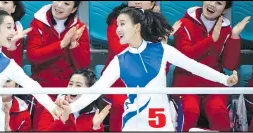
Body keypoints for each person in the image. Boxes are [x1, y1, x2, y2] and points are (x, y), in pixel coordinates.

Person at [53, 7, 239, 131]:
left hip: (161, 124)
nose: (117, 29)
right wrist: (72, 107)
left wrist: (225, 80)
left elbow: (195, 67)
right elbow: (97, 89)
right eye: (117, 25)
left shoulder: (163, 50)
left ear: (137, 27)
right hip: (133, 123)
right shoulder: (120, 60)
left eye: (122, 24)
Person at [172, 1, 250, 131]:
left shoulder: (226, 30)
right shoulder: (183, 24)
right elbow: (185, 58)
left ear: (225, 9)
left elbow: (230, 65)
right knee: (189, 110)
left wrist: (234, 37)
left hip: (214, 84)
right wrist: (211, 40)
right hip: (186, 83)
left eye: (219, 3)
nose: (212, 4)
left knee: (217, 110)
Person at [104, 1, 180, 131]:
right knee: (122, 104)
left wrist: (158, 34)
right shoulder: (117, 22)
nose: (137, 1)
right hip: (120, 82)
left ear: (152, 5)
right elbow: (122, 53)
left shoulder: (155, 26)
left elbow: (161, 69)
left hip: (148, 84)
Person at [25, 1, 90, 130]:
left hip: (69, 89)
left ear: (73, 9)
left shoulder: (79, 28)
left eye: (66, 3)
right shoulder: (37, 23)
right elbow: (33, 56)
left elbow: (83, 66)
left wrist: (74, 47)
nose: (59, 5)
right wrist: (61, 44)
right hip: (43, 88)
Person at [38, 69, 111, 131]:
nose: (72, 88)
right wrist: (62, 121)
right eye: (70, 84)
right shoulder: (53, 108)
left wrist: (95, 127)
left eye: (78, 85)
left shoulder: (95, 113)